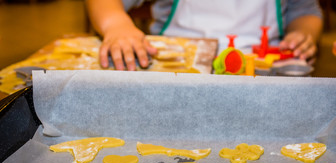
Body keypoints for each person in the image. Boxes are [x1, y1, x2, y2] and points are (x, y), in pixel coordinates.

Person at [86, 0, 323, 71]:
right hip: (176, 69)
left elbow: (305, 11)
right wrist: (116, 24)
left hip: (263, 70)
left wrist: (302, 33)